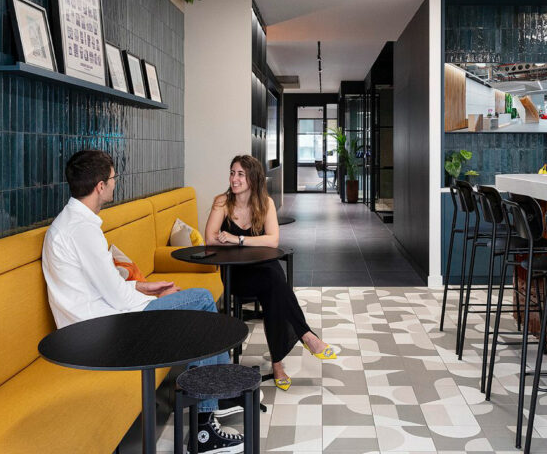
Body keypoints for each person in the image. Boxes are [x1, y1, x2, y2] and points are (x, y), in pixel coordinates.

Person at [42, 150, 243, 454]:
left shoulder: (71, 223)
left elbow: (104, 286)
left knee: (195, 304)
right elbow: (115, 297)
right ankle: (204, 428)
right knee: (201, 300)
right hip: (99, 331)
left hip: (102, 316)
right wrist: (154, 295)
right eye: (112, 179)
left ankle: (217, 394)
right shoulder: (81, 230)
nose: (114, 184)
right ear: (99, 186)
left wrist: (145, 287)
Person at [205, 155, 336, 391]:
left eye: (240, 174)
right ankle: (304, 338)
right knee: (276, 281)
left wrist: (237, 239)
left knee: (274, 286)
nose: (234, 179)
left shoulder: (264, 204)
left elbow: (273, 241)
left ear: (253, 179)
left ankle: (279, 362)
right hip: (236, 275)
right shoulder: (222, 202)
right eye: (232, 173)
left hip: (263, 270)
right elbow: (210, 240)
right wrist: (250, 242)